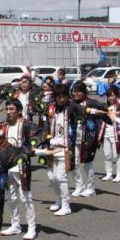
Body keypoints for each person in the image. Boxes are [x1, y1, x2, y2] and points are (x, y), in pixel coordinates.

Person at [0, 97, 39, 240]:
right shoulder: (4, 125)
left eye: (12, 109)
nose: (9, 112)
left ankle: (31, 227)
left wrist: (32, 148)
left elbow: (40, 135)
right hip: (7, 166)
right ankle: (15, 225)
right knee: (11, 197)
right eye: (7, 109)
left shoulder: (27, 125)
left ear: (19, 111)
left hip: (22, 166)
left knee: (26, 197)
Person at [37, 85, 76, 216]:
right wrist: (48, 138)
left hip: (65, 148)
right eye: (59, 97)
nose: (62, 99)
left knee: (61, 177)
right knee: (51, 176)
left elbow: (84, 110)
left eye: (64, 96)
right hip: (52, 147)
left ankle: (66, 204)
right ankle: (58, 199)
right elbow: (44, 127)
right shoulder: (51, 109)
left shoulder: (71, 109)